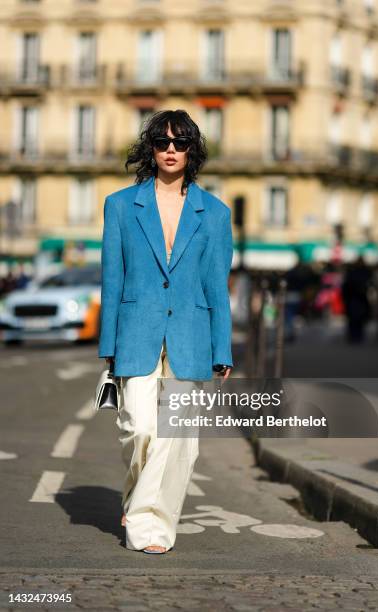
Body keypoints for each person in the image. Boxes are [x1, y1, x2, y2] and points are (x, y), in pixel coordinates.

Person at [98, 109, 234, 554]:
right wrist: (108, 345)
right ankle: (139, 494)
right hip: (136, 332)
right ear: (150, 149)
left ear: (192, 149)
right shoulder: (120, 205)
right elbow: (112, 279)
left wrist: (223, 348)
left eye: (179, 142)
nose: (170, 150)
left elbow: (217, 285)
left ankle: (150, 527)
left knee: (177, 438)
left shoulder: (214, 213)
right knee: (138, 427)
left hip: (192, 335)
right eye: (161, 142)